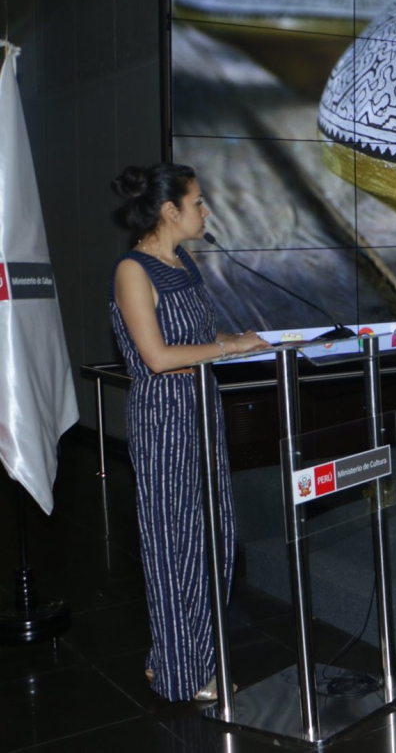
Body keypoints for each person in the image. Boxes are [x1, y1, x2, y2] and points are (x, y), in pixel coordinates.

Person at [109, 163, 269, 702]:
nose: (206, 211)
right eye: (198, 202)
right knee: (175, 546)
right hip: (164, 419)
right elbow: (156, 357)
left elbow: (196, 337)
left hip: (202, 410)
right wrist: (230, 349)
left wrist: (237, 337)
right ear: (168, 211)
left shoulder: (181, 262)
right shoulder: (133, 271)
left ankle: (182, 655)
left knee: (214, 541)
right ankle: (183, 674)